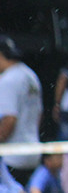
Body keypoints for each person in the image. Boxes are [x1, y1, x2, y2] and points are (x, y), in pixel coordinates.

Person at [0, 34, 43, 185]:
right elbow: (39, 115)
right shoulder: (30, 75)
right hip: (32, 152)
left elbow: (9, 119)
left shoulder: (7, 81)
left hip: (12, 157)